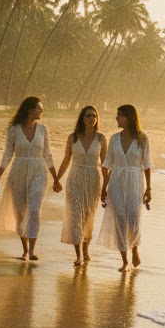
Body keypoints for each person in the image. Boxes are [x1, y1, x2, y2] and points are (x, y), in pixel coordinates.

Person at [0, 96, 61, 261]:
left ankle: (32, 250)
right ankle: (24, 250)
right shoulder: (14, 130)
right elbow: (8, 154)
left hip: (39, 171)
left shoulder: (43, 129)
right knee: (20, 212)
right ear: (29, 109)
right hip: (18, 172)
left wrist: (56, 178)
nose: (41, 111)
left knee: (35, 209)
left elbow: (47, 154)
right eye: (39, 108)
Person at [98, 103, 153, 271]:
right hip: (116, 181)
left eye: (119, 115)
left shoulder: (142, 138)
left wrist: (149, 188)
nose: (117, 118)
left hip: (135, 181)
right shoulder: (114, 138)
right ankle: (124, 261)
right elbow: (106, 164)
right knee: (120, 219)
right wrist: (104, 187)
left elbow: (147, 165)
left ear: (128, 118)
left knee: (134, 219)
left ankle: (135, 249)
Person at [56, 105, 107, 266]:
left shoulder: (101, 138)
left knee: (88, 216)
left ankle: (86, 249)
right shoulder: (73, 137)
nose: (91, 118)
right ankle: (78, 255)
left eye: (94, 116)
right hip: (75, 178)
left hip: (93, 179)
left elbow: (105, 163)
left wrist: (106, 185)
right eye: (88, 116)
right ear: (82, 118)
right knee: (75, 215)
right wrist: (57, 179)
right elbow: (66, 160)